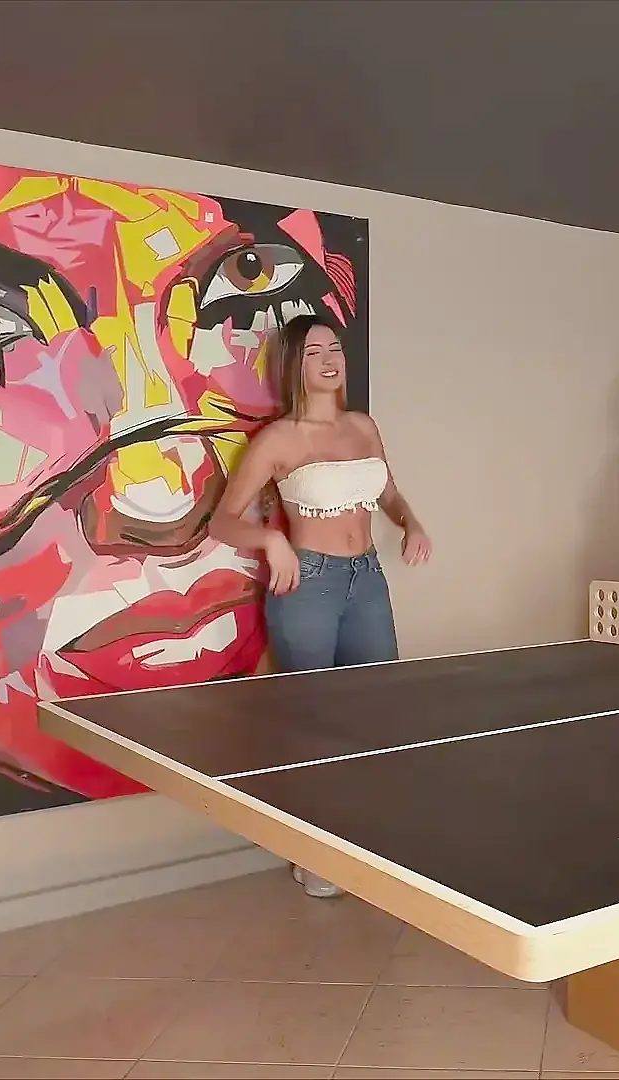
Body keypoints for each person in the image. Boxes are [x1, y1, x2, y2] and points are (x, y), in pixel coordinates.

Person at [210, 313, 430, 897]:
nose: (330, 360)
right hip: (308, 585)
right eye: (314, 352)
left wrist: (410, 523)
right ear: (293, 366)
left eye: (335, 348)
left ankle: (363, 844)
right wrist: (271, 540)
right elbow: (223, 521)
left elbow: (388, 492)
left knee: (374, 714)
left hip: (367, 580)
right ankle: (316, 854)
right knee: (314, 727)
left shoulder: (363, 427)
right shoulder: (279, 440)